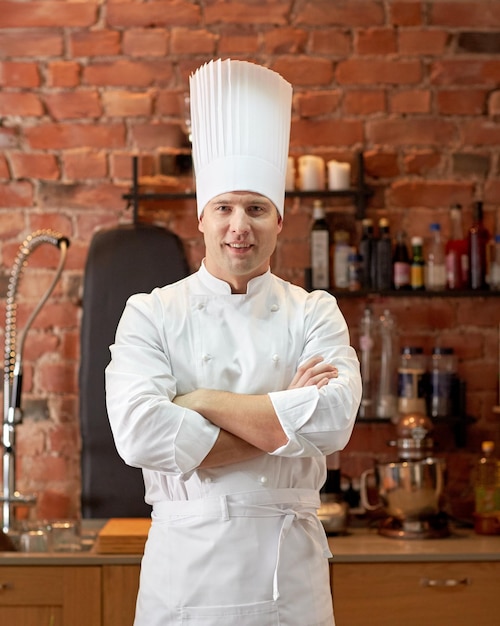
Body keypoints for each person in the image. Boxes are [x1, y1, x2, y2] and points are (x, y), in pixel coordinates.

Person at [105, 59, 362, 626]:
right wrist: (280, 422)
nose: (238, 226)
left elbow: (331, 424)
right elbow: (139, 434)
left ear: (279, 221)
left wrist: (198, 403)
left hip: (288, 584)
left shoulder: (314, 311)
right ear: (201, 218)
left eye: (256, 208)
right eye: (223, 207)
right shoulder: (150, 313)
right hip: (184, 587)